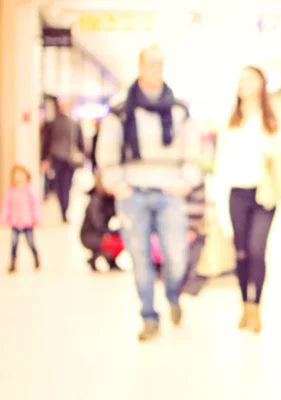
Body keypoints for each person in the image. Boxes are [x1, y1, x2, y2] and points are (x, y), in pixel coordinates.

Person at [96, 44, 202, 341]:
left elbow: (194, 150)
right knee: (139, 257)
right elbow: (107, 148)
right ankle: (148, 316)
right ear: (140, 67)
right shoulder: (121, 109)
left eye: (160, 64)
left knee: (176, 255)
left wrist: (187, 180)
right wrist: (116, 182)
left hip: (170, 193)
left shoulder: (179, 110)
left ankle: (172, 296)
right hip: (133, 194)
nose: (156, 70)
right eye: (150, 64)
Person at [214, 66, 281, 334]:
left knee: (257, 249)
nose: (244, 84)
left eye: (250, 79)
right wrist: (215, 199)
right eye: (241, 80)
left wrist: (272, 149)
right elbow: (220, 163)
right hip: (237, 194)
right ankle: (244, 306)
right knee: (240, 252)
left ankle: (257, 307)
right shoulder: (230, 121)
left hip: (264, 193)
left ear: (262, 84)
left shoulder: (272, 120)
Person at [41, 99, 85, 223]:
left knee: (60, 185)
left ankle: (63, 209)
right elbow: (81, 145)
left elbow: (46, 143)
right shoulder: (74, 124)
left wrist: (44, 159)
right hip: (67, 160)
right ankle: (64, 210)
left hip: (58, 159)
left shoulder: (53, 123)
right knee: (66, 186)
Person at [1, 165, 43, 273]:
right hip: (15, 222)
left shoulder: (30, 190)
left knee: (30, 242)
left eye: (21, 174)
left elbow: (36, 205)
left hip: (28, 222)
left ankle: (36, 256)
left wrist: (37, 218)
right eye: (16, 174)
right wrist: (3, 218)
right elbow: (7, 206)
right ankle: (13, 263)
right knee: (14, 243)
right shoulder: (11, 190)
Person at [80, 173, 121, 273]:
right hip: (90, 235)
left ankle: (111, 262)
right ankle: (95, 258)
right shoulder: (96, 200)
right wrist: (112, 232)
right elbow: (98, 224)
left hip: (99, 233)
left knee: (122, 239)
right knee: (117, 243)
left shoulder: (110, 199)